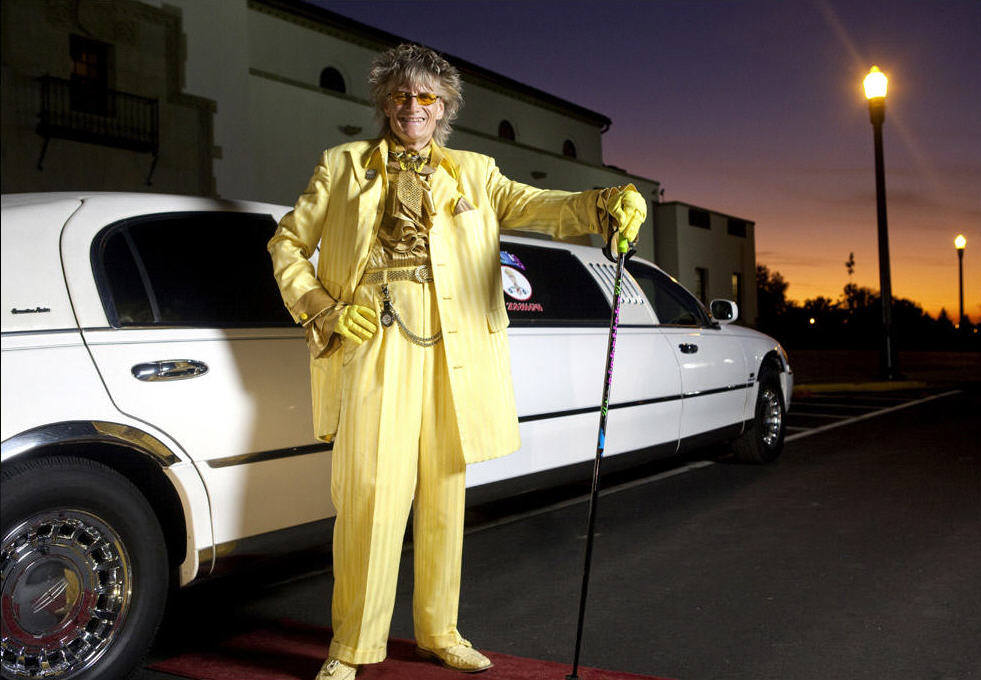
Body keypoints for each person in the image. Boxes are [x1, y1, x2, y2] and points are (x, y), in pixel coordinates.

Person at [268, 43, 646, 680]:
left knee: (445, 493)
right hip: (374, 333)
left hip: (455, 342)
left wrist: (605, 202)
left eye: (426, 97)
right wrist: (323, 310)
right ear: (384, 102)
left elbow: (540, 206)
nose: (412, 107)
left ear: (443, 107)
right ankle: (352, 646)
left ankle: (440, 631)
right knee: (370, 493)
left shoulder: (475, 171)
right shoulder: (342, 165)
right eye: (400, 95)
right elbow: (286, 243)